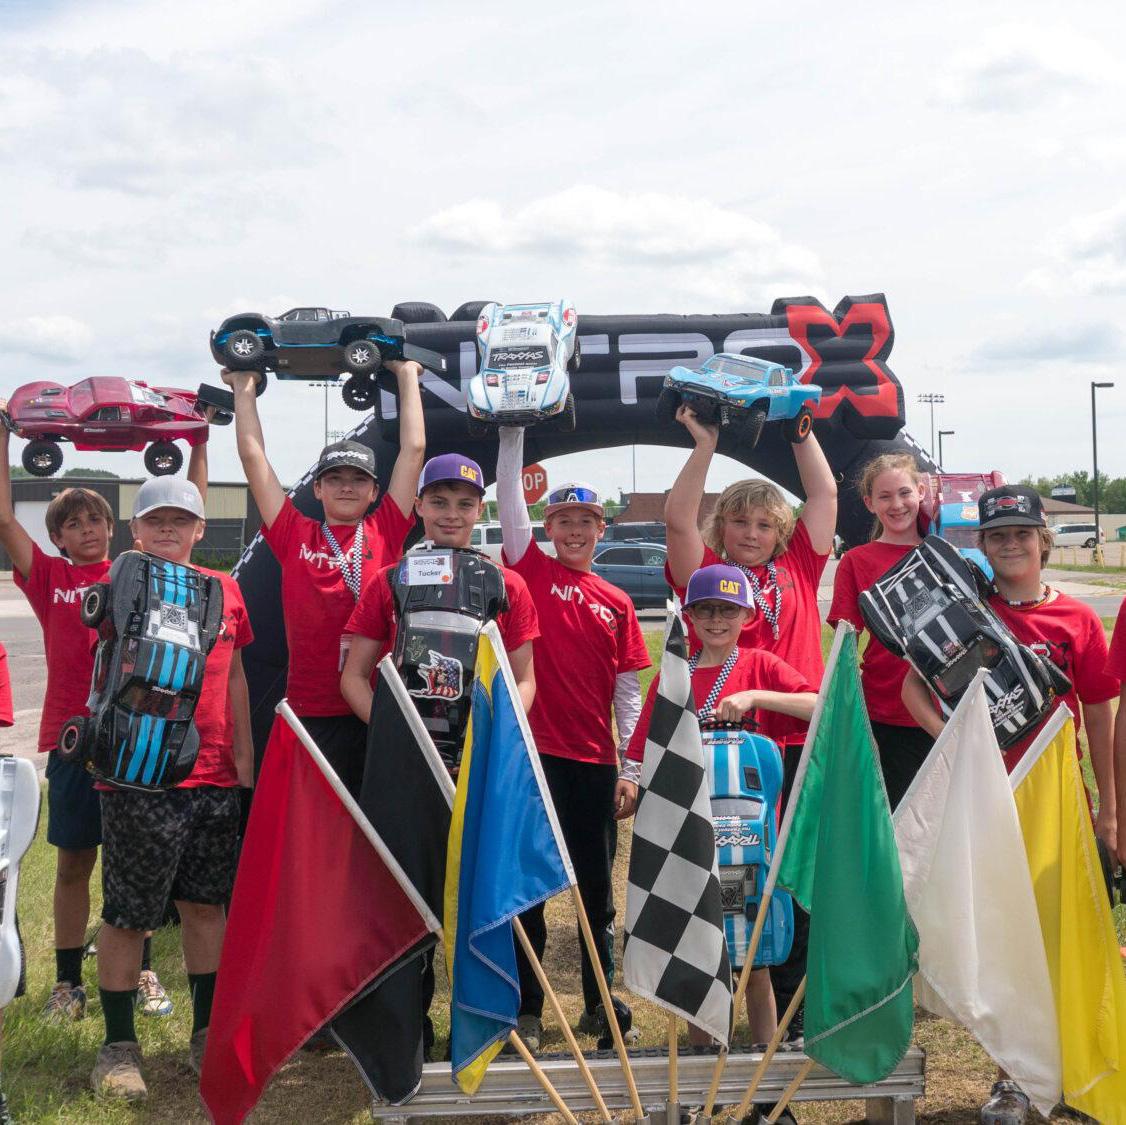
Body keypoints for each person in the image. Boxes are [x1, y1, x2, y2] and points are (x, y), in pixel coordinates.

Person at [901, 484, 1119, 1125]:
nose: (1011, 545)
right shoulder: (968, 614)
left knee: (1063, 940)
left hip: (1060, 807)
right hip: (989, 807)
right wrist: (958, 744)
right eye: (998, 536)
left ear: (1043, 539)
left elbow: (1101, 717)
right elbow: (916, 686)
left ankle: (1075, 1074)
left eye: (1022, 533)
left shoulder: (1076, 621)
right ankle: (1012, 1081)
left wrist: (1110, 807)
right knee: (1003, 941)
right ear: (984, 546)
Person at [0, 415, 210, 1023]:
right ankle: (68, 982)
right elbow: (5, 520)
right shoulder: (50, 579)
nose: (87, 529)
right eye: (73, 524)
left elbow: (187, 505)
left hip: (139, 740)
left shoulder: (140, 573)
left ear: (117, 530)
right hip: (74, 741)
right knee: (74, 863)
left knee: (134, 864)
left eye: (95, 519)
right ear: (58, 539)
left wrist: (199, 440)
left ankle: (140, 970)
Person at [664, 402, 836, 1024]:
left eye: (765, 524)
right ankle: (720, 989)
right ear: (723, 528)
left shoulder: (799, 565)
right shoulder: (708, 577)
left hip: (792, 735)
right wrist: (704, 445)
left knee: (793, 869)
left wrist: (801, 433)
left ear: (780, 532)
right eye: (739, 521)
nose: (752, 533)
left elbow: (823, 493)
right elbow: (678, 519)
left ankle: (791, 1005)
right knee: (726, 867)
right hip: (722, 752)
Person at [90, 478, 253, 1100]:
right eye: (155, 520)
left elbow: (236, 675)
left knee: (206, 906)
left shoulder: (226, 590)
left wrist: (243, 757)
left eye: (180, 520)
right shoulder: (120, 582)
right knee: (130, 914)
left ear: (199, 530)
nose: (167, 529)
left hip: (212, 773)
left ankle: (206, 1033)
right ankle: (118, 1046)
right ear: (134, 531)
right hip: (140, 770)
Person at [494, 428, 651, 1052]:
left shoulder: (617, 602)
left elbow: (628, 693)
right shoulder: (527, 570)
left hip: (593, 764)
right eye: (563, 520)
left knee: (595, 892)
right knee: (529, 889)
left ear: (602, 529)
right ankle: (527, 1009)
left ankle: (598, 1002)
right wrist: (512, 432)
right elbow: (508, 499)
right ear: (547, 527)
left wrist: (630, 768)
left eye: (587, 520)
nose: (576, 530)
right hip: (531, 761)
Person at [617, 564, 816, 1048]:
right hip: (690, 840)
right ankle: (704, 1065)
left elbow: (821, 702)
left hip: (748, 839)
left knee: (756, 958)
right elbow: (644, 748)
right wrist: (628, 779)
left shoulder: (761, 664)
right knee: (699, 950)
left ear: (746, 613)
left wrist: (754, 696)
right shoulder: (675, 678)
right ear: (689, 615)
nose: (716, 619)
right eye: (705, 609)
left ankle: (764, 1072)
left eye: (727, 610)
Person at [222, 361, 425, 794]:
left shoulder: (386, 527)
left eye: (358, 480)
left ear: (375, 491)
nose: (346, 487)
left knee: (376, 835)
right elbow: (253, 457)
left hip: (376, 706)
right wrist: (244, 388)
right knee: (313, 839)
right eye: (334, 479)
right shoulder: (294, 532)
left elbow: (413, 451)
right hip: (310, 712)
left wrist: (407, 376)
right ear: (317, 489)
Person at [828, 452, 933, 810]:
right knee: (895, 819)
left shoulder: (944, 553)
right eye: (885, 497)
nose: (897, 504)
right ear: (869, 503)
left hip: (947, 710)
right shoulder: (857, 562)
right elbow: (845, 641)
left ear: (921, 491)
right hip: (885, 712)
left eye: (904, 493)